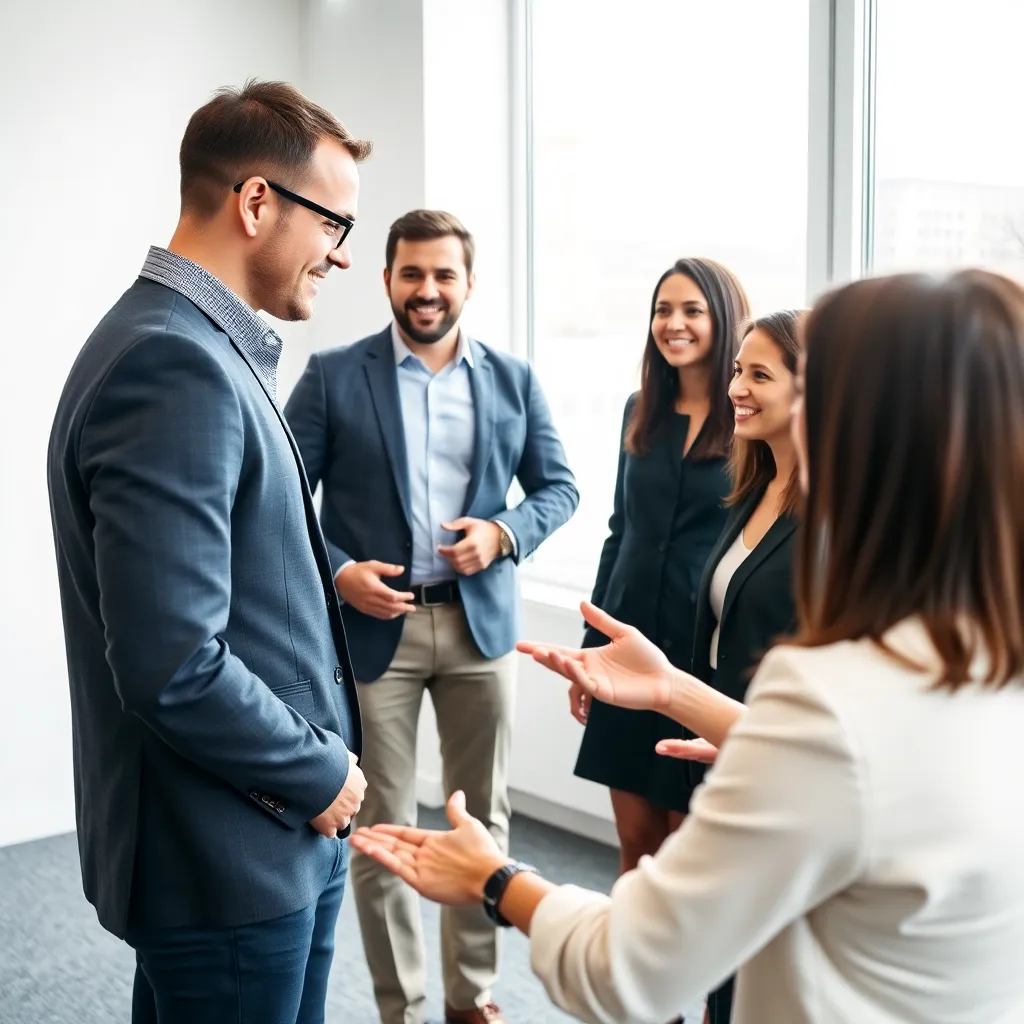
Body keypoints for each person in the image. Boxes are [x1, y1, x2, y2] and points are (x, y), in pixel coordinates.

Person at [351, 269, 1024, 1024]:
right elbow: (880, 772)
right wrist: (681, 694)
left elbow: (629, 968)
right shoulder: (978, 654)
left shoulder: (833, 698)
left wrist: (493, 877)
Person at [47, 81, 370, 1024]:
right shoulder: (173, 364)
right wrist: (321, 774)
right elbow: (172, 662)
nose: (342, 255)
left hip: (262, 832)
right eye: (335, 225)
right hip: (231, 850)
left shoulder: (195, 347)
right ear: (258, 201)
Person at [284, 209, 578, 1024]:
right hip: (377, 632)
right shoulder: (336, 375)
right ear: (386, 280)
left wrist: (504, 532)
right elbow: (280, 497)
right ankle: (402, 1008)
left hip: (481, 629)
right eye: (412, 273)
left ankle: (471, 998)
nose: (427, 289)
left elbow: (560, 486)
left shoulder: (513, 379)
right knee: (381, 824)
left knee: (482, 817)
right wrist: (338, 571)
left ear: (468, 285)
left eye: (444, 274)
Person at [571, 257, 749, 874]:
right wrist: (591, 650)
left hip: (701, 659)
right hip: (630, 641)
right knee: (634, 844)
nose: (673, 324)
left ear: (722, 319)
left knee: (686, 857)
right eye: (662, 310)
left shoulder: (749, 419)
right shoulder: (637, 408)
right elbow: (621, 533)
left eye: (692, 310)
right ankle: (628, 971)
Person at [660, 310, 804, 1024]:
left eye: (758, 375)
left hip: (779, 767)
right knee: (724, 955)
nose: (736, 388)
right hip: (717, 750)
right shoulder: (750, 485)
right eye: (738, 371)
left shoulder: (837, 520)